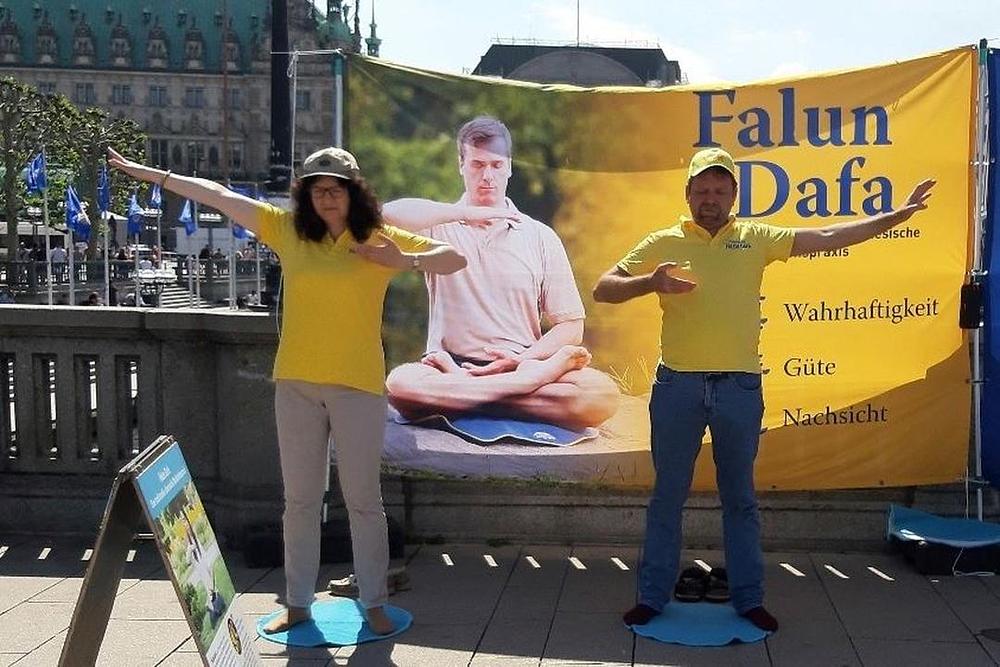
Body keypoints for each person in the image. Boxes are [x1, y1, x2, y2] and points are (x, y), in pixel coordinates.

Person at [108, 145, 466, 635]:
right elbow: (217, 194)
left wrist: (403, 259)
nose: (325, 196)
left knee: (363, 501)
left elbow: (454, 258)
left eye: (335, 188)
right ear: (307, 195)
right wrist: (153, 174)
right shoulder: (288, 231)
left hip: (358, 388)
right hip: (296, 385)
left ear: (352, 191)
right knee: (298, 501)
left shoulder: (378, 240)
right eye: (317, 188)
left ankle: (374, 602)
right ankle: (298, 604)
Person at [592, 147, 935, 632]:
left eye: (719, 189)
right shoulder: (663, 240)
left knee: (741, 498)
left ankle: (749, 599)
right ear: (687, 194)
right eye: (701, 189)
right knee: (667, 496)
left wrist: (896, 215)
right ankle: (652, 597)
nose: (709, 198)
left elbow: (831, 235)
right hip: (677, 388)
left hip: (738, 388)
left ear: (733, 194)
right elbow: (603, 288)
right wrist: (651, 282)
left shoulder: (756, 237)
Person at [382, 116, 619, 430]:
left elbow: (571, 326)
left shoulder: (540, 236)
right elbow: (386, 215)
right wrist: (466, 213)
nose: (487, 177)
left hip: (523, 364)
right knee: (401, 384)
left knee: (600, 394)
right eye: (477, 165)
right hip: (451, 364)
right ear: (461, 165)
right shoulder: (438, 227)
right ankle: (514, 396)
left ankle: (473, 395)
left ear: (509, 166)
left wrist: (525, 364)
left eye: (496, 165)